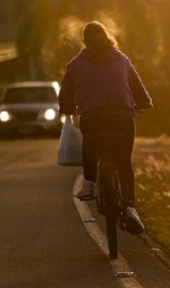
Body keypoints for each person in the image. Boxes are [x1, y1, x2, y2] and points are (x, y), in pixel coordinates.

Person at [59, 21, 153, 234]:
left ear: (85, 41)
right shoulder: (121, 60)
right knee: (124, 162)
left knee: (89, 144)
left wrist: (67, 109)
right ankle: (130, 208)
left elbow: (66, 92)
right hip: (122, 118)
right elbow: (136, 85)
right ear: (107, 37)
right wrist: (144, 102)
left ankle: (89, 183)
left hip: (93, 118)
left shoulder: (76, 64)